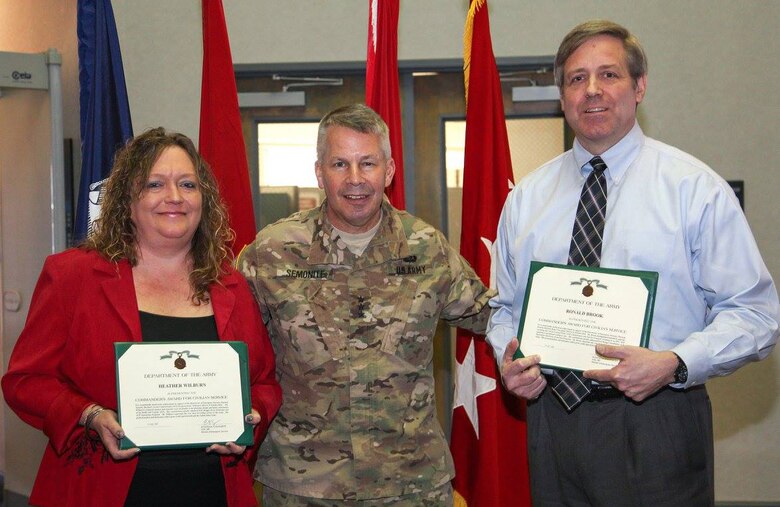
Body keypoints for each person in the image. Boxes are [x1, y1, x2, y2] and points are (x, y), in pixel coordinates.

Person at [489, 19, 780, 506]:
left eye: (609, 74)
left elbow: (756, 315)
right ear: (562, 96)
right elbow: (503, 308)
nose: (592, 91)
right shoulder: (527, 198)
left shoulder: (693, 189)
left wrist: (675, 362)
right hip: (552, 419)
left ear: (639, 87)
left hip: (658, 420)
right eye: (577, 79)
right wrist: (510, 357)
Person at [2, 127, 282, 507]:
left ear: (204, 200)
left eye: (187, 184)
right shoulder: (73, 277)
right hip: (99, 490)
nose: (174, 197)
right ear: (127, 202)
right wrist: (90, 415)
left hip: (212, 492)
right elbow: (25, 381)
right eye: (154, 184)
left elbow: (264, 382)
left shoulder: (229, 283)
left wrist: (252, 414)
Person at [237, 103, 493, 506]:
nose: (355, 179)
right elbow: (225, 338)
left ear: (388, 171)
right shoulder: (271, 253)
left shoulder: (427, 248)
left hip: (411, 485)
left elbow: (492, 316)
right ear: (319, 172)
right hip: (304, 487)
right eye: (340, 164)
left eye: (367, 163)